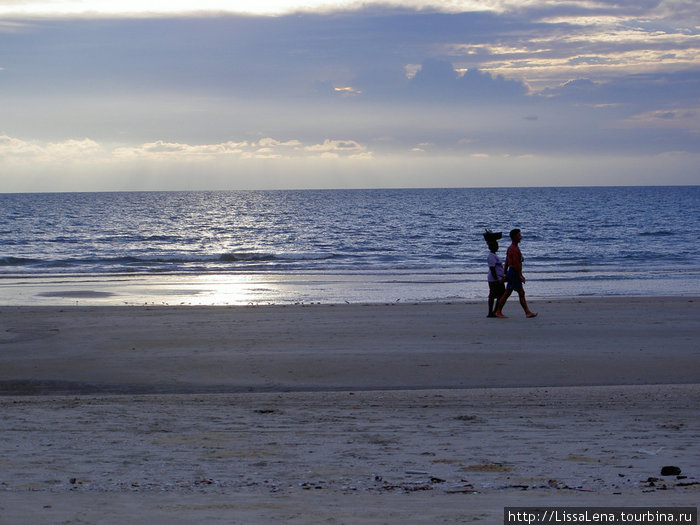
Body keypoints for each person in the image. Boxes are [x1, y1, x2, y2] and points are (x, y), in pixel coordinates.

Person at [494, 228, 537, 318]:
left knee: (521, 293)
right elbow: (513, 264)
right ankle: (498, 311)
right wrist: (520, 275)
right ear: (514, 237)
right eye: (519, 235)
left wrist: (505, 273)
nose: (520, 237)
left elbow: (507, 262)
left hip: (513, 273)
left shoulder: (514, 248)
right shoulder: (513, 249)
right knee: (507, 293)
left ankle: (527, 312)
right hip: (514, 274)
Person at [486, 239, 505, 317]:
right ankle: (492, 312)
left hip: (496, 278)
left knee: (499, 294)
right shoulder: (491, 256)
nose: (497, 247)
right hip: (494, 279)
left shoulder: (494, 255)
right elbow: (492, 269)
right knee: (494, 294)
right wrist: (497, 279)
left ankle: (495, 311)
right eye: (496, 245)